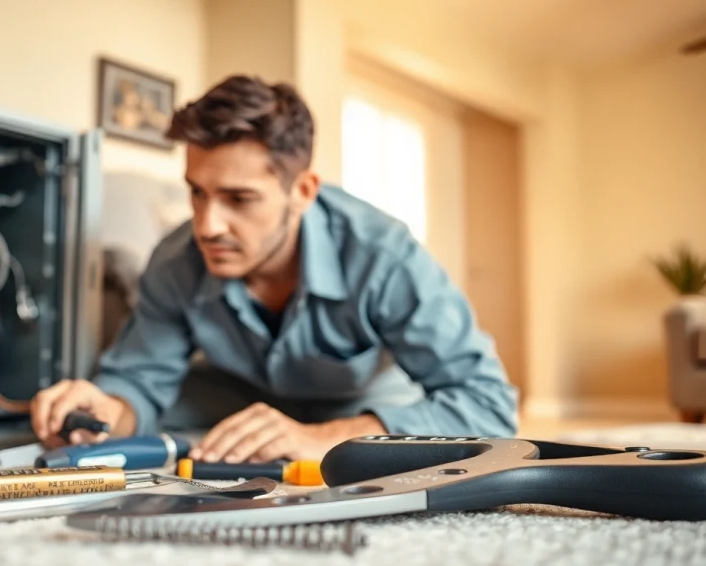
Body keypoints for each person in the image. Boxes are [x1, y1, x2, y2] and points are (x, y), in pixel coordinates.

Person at [30, 74, 518, 463]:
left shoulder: (384, 254)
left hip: (362, 403)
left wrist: (325, 438)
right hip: (238, 403)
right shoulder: (176, 260)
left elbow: (489, 403)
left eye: (239, 199)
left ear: (302, 192)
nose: (207, 225)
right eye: (197, 192)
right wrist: (103, 410)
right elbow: (138, 381)